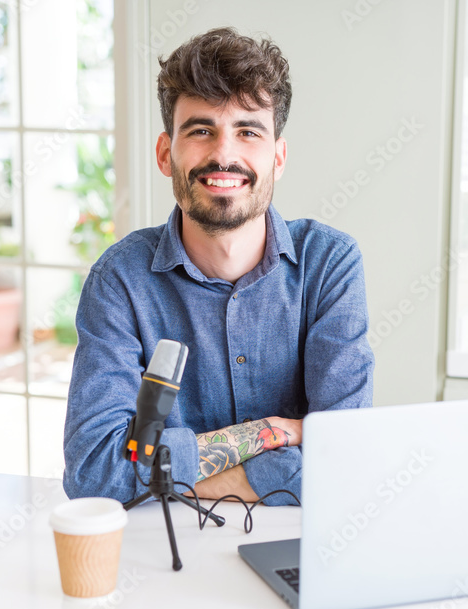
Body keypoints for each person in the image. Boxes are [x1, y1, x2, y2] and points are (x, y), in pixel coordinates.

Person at [62, 27, 374, 506]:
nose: (224, 154)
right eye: (201, 130)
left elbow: (349, 459)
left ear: (278, 156)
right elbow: (93, 472)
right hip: (162, 558)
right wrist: (270, 434)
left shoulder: (329, 264)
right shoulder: (120, 280)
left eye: (248, 131)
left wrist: (167, 475)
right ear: (167, 154)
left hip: (300, 551)